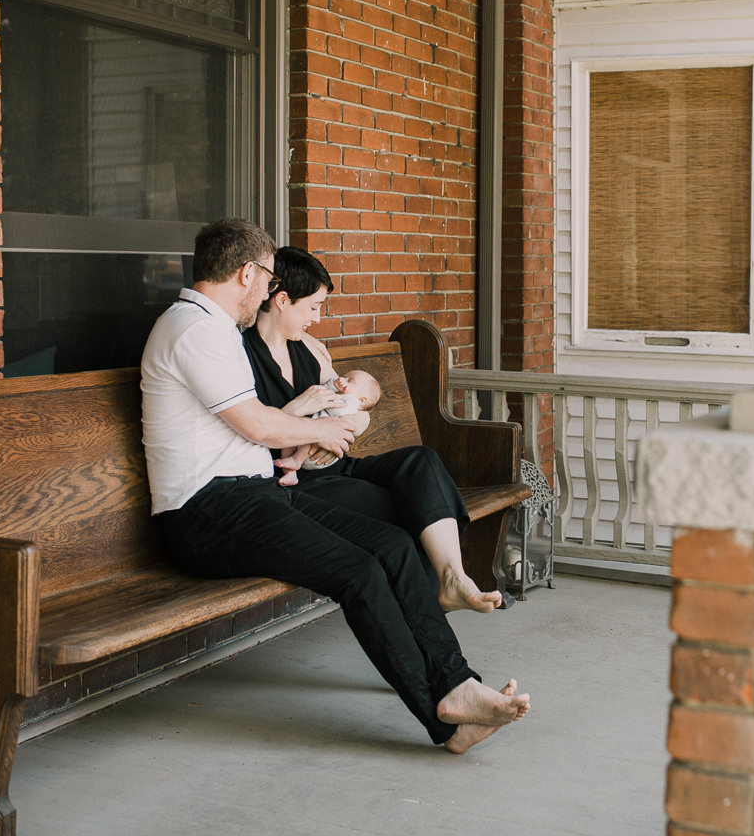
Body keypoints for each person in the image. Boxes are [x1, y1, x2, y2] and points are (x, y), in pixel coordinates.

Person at [141, 218, 528, 753]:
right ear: (248, 273)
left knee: (392, 545)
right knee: (358, 570)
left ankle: (457, 682)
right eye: (270, 276)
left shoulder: (212, 329)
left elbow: (259, 424)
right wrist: (321, 430)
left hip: (249, 496)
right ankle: (444, 717)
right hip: (206, 511)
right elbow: (257, 424)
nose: (271, 289)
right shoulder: (193, 329)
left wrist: (328, 423)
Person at [242, 246, 503, 614]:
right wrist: (308, 428)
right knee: (406, 506)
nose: (317, 318)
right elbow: (250, 430)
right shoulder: (241, 355)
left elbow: (359, 412)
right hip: (296, 484)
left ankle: (454, 576)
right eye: (313, 307)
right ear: (283, 300)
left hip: (337, 462)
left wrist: (339, 427)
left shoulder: (311, 351)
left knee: (421, 462)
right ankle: (433, 599)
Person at [272, 368, 382, 485]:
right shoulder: (341, 395)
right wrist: (333, 385)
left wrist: (323, 398)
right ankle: (290, 474)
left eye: (350, 381)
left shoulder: (351, 403)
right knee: (289, 440)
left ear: (362, 400)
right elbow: (322, 393)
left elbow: (329, 405)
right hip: (307, 442)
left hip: (317, 451)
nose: (342, 379)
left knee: (321, 428)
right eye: (344, 376)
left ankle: (296, 460)